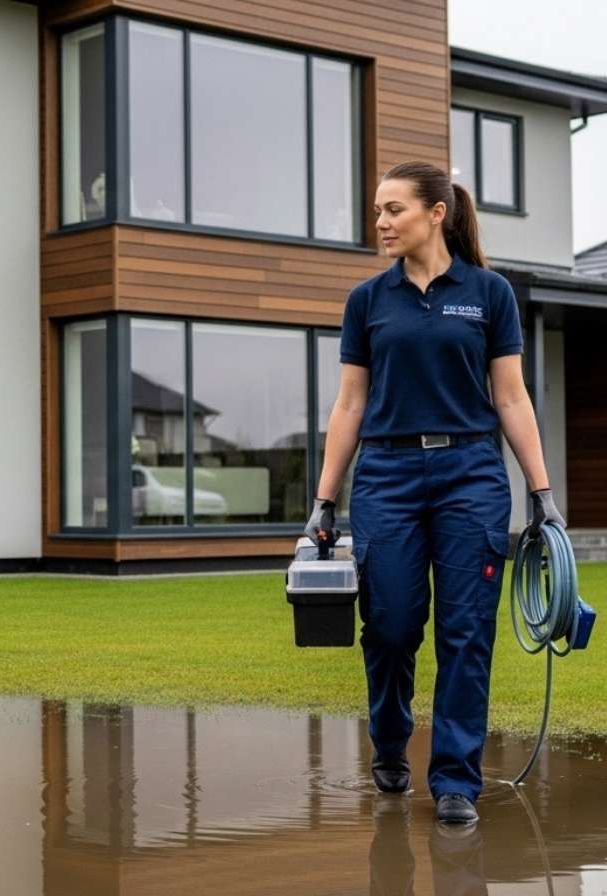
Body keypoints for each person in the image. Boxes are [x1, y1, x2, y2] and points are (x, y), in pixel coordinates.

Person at [305, 161, 563, 825]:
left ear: (435, 213)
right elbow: (349, 405)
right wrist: (323, 502)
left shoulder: (488, 293)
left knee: (466, 631)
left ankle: (455, 780)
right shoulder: (368, 300)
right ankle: (389, 739)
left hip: (471, 474)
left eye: (394, 210)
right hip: (387, 477)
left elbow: (510, 395)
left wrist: (542, 492)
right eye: (378, 212)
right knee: (390, 627)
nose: (382, 223)